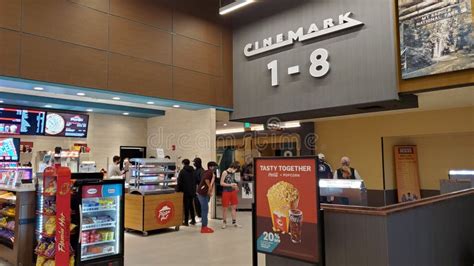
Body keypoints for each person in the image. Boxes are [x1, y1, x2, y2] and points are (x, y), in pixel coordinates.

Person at [197, 161, 218, 233]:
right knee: (205, 209)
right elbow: (206, 179)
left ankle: (204, 226)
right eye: (214, 166)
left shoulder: (209, 172)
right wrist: (210, 188)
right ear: (211, 166)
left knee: (205, 209)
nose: (215, 168)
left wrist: (210, 191)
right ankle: (204, 227)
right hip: (202, 193)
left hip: (203, 193)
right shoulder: (209, 172)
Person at [220, 162, 242, 229]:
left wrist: (236, 186)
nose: (235, 171)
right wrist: (230, 185)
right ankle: (224, 222)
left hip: (233, 192)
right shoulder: (225, 172)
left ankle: (234, 222)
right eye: (235, 169)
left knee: (234, 208)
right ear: (233, 167)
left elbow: (235, 182)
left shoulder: (234, 173)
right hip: (226, 192)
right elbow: (221, 183)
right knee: (225, 208)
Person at [176, 159, 196, 226]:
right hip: (192, 191)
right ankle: (193, 220)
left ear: (183, 163)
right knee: (191, 206)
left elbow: (179, 182)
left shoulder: (182, 171)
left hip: (185, 191)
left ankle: (186, 221)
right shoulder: (193, 171)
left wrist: (177, 190)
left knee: (186, 206)